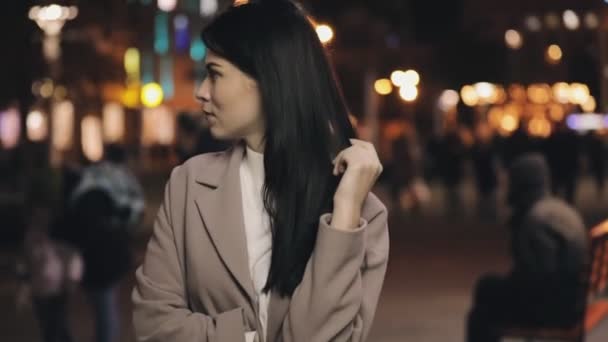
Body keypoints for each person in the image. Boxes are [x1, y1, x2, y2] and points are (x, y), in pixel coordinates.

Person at [132, 1, 389, 342]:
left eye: (215, 73)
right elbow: (153, 324)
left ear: (268, 78)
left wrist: (343, 214)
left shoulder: (362, 214)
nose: (201, 92)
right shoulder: (189, 184)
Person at [466, 153, 588, 342]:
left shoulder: (535, 220)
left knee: (482, 306)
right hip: (575, 301)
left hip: (557, 309)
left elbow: (540, 276)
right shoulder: (561, 209)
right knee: (488, 291)